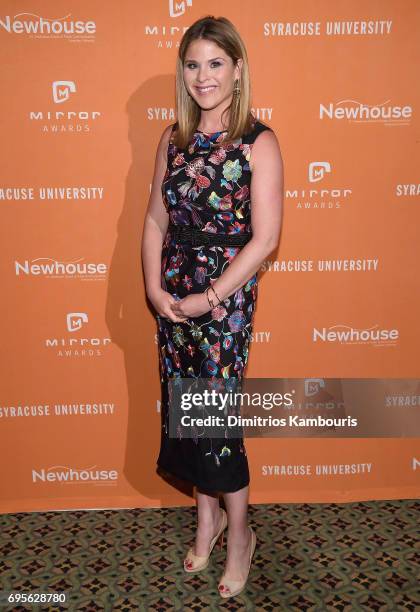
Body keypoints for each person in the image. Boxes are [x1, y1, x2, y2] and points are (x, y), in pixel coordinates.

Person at [141, 15, 283, 599]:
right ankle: (209, 521)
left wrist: (212, 296)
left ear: (237, 69)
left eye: (215, 63)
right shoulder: (173, 139)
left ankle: (241, 533)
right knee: (190, 412)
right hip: (174, 297)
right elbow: (155, 218)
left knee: (217, 417)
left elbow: (266, 237)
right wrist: (154, 289)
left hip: (224, 300)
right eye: (194, 65)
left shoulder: (259, 141)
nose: (204, 77)